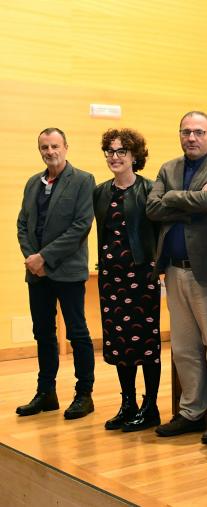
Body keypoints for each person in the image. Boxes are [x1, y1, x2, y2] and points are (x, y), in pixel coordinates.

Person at [146, 111, 207, 444]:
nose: (192, 137)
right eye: (186, 132)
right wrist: (191, 201)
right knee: (184, 348)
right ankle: (191, 411)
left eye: (199, 132)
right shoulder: (168, 168)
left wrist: (172, 199)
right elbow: (152, 207)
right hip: (172, 270)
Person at [16, 128, 96, 419]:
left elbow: (80, 226)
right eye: (44, 147)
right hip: (37, 273)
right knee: (43, 333)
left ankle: (84, 394)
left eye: (55, 146)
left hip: (68, 271)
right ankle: (46, 392)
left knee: (77, 332)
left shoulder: (83, 181)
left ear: (66, 147)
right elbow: (23, 224)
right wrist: (31, 258)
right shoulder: (32, 183)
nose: (50, 151)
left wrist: (44, 257)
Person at [93, 128, 162, 432]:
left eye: (122, 151)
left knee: (145, 341)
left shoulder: (149, 189)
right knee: (119, 341)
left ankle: (150, 407)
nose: (115, 157)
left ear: (135, 156)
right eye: (110, 151)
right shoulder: (101, 191)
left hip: (142, 274)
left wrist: (160, 270)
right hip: (111, 276)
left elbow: (159, 232)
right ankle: (128, 403)